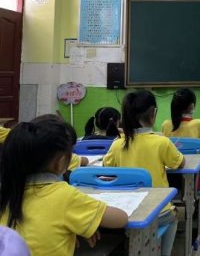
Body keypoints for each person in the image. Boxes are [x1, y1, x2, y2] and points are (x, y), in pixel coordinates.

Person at [0, 116, 128, 256]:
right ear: (61, 162)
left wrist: (77, 227)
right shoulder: (64, 196)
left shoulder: (7, 192)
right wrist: (81, 226)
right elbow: (121, 219)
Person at [103, 91, 185, 256]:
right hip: (156, 212)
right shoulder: (162, 142)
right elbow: (179, 163)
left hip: (124, 211)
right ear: (153, 114)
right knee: (174, 215)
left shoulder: (118, 144)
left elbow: (106, 167)